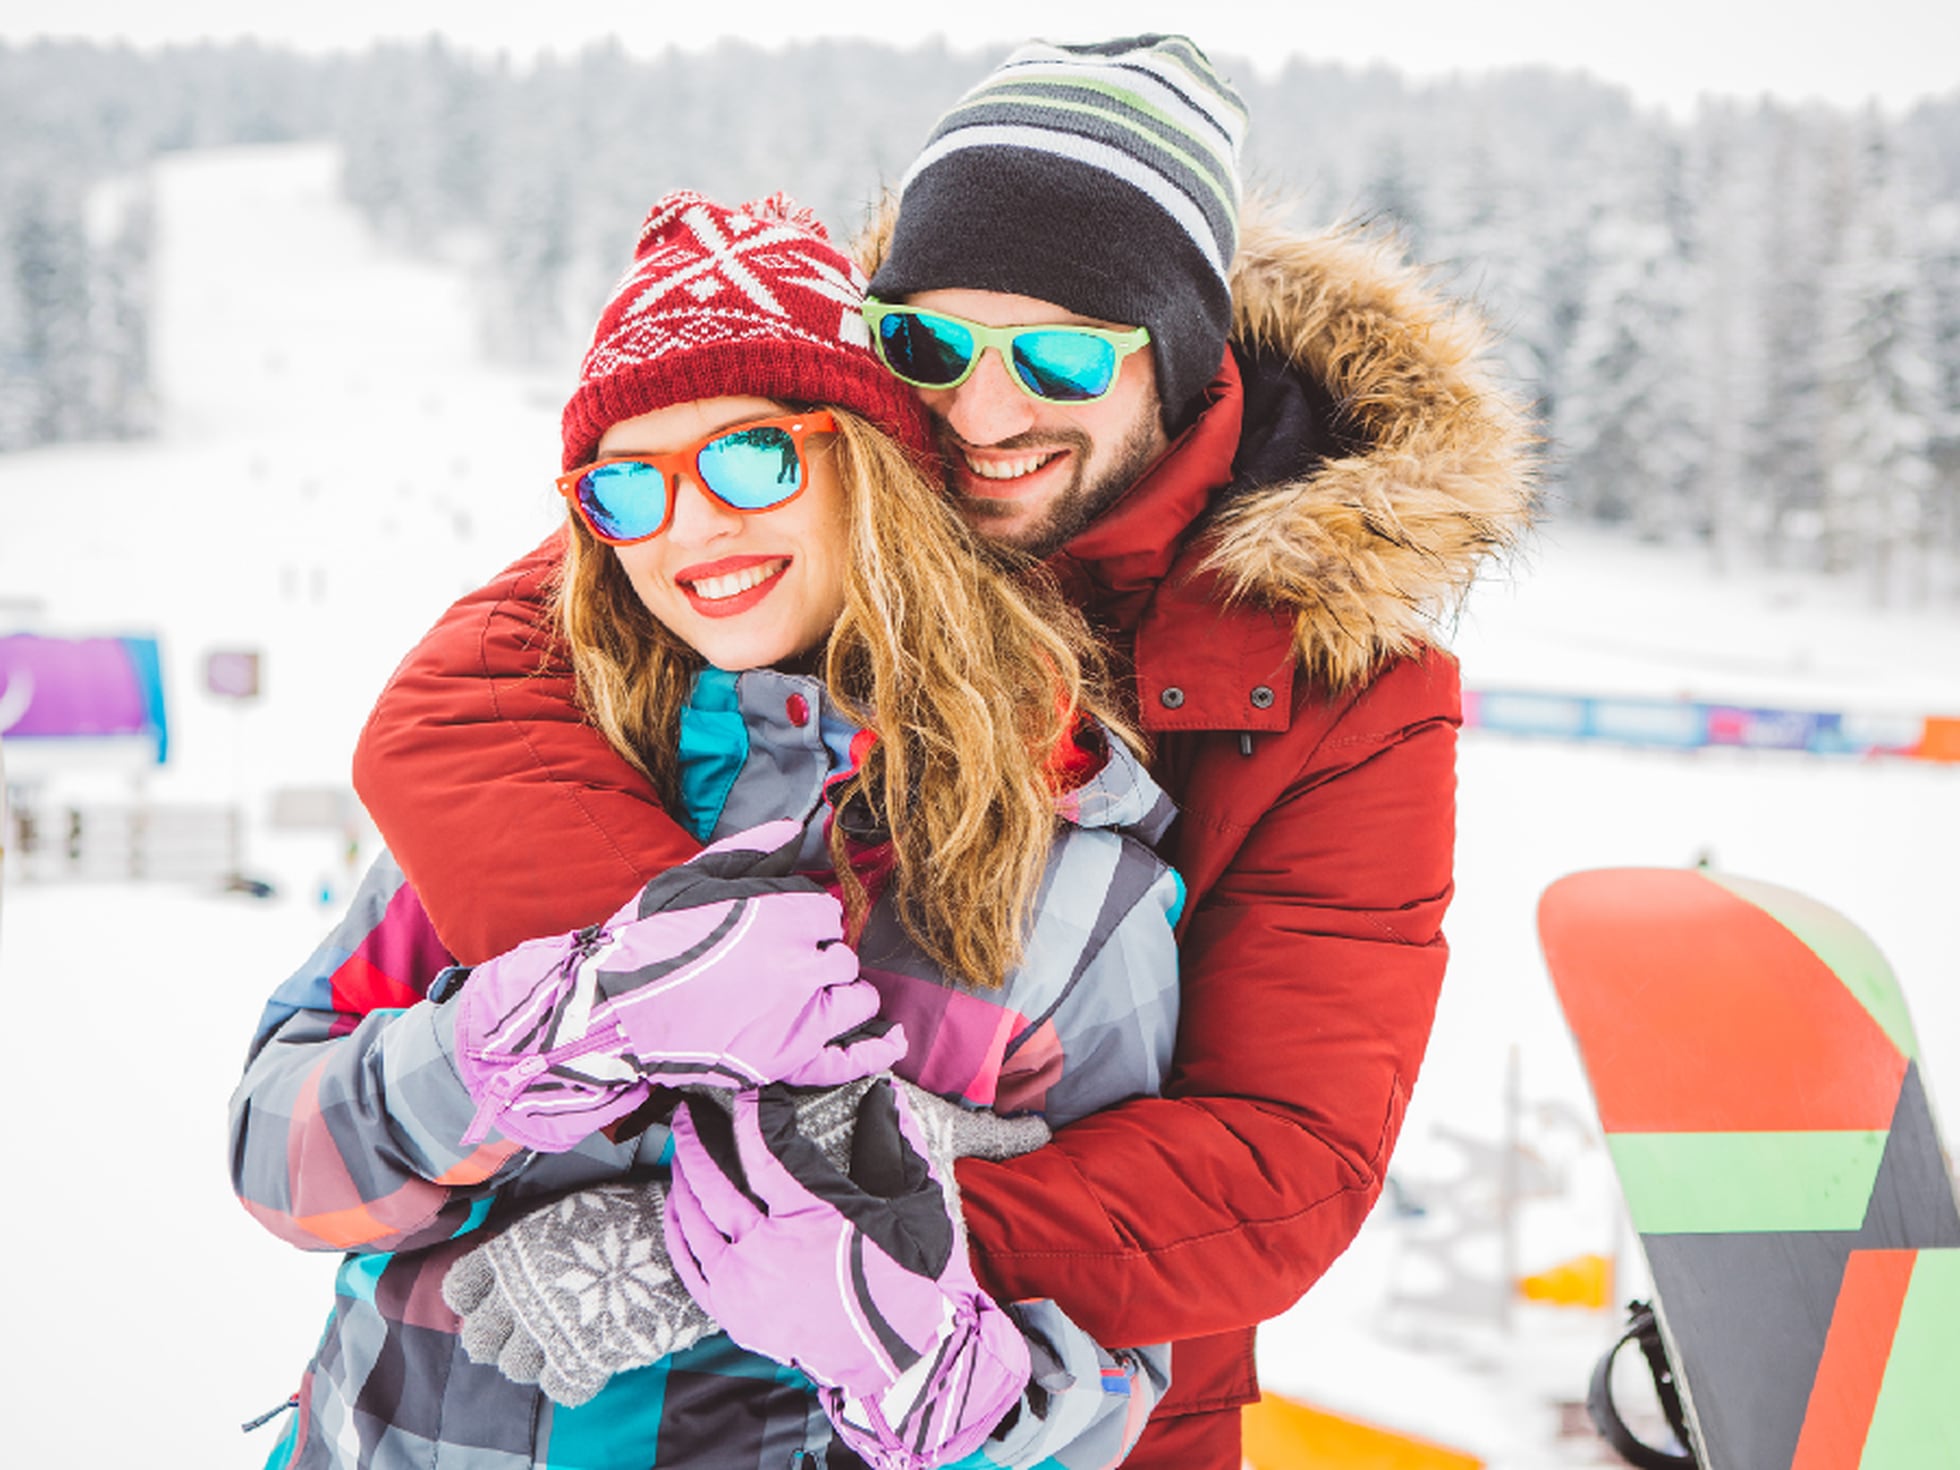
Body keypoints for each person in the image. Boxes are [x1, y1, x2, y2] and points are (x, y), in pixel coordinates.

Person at [350, 35, 1539, 1470]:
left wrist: (814, 1213)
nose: (979, 417)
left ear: (1178, 353)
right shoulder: (822, 477)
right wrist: (702, 1010)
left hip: (1075, 1400)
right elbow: (458, 712)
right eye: (927, 345)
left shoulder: (1350, 678)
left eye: (1054, 356)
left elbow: (1287, 1162)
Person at [230, 189, 1187, 1470]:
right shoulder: (523, 777)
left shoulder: (1064, 881)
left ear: (877, 465)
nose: (690, 527)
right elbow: (278, 1167)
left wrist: (903, 1350)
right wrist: (530, 1042)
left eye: (752, 456)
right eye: (626, 488)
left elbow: (1111, 1379)